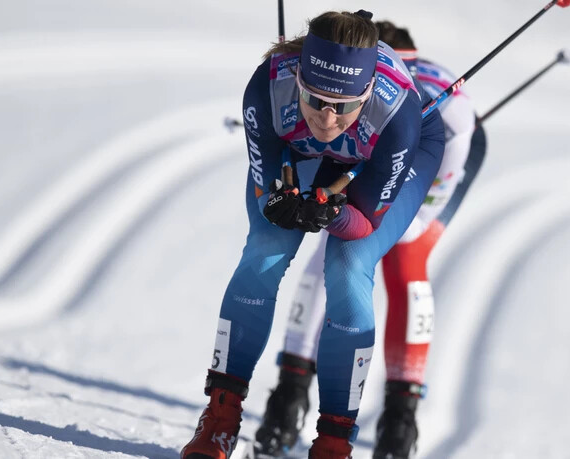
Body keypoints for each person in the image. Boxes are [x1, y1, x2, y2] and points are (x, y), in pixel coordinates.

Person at [180, 10, 446, 459]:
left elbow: (364, 221)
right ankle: (220, 419)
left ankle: (333, 443)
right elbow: (269, 191)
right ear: (298, 80)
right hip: (297, 149)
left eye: (343, 106)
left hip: (388, 152)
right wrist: (282, 203)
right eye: (315, 99)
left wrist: (332, 216)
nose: (327, 117)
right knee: (265, 249)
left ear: (364, 96)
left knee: (349, 265)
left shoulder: (396, 114)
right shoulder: (266, 87)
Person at [253, 21, 488, 459]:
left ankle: (400, 418)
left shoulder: (448, 111)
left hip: (442, 155)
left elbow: (414, 221)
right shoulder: (353, 96)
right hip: (375, 144)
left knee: (405, 256)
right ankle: (290, 395)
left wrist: (371, 220)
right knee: (332, 250)